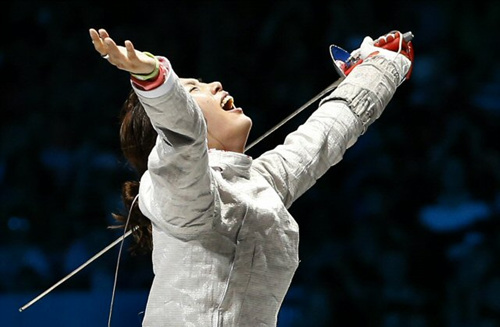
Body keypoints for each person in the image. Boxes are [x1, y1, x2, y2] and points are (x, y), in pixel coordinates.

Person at [89, 27, 414, 327]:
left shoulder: (257, 184)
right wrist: (153, 77)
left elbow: (328, 132)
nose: (213, 84)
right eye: (192, 89)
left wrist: (380, 66)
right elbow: (182, 135)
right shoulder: (176, 186)